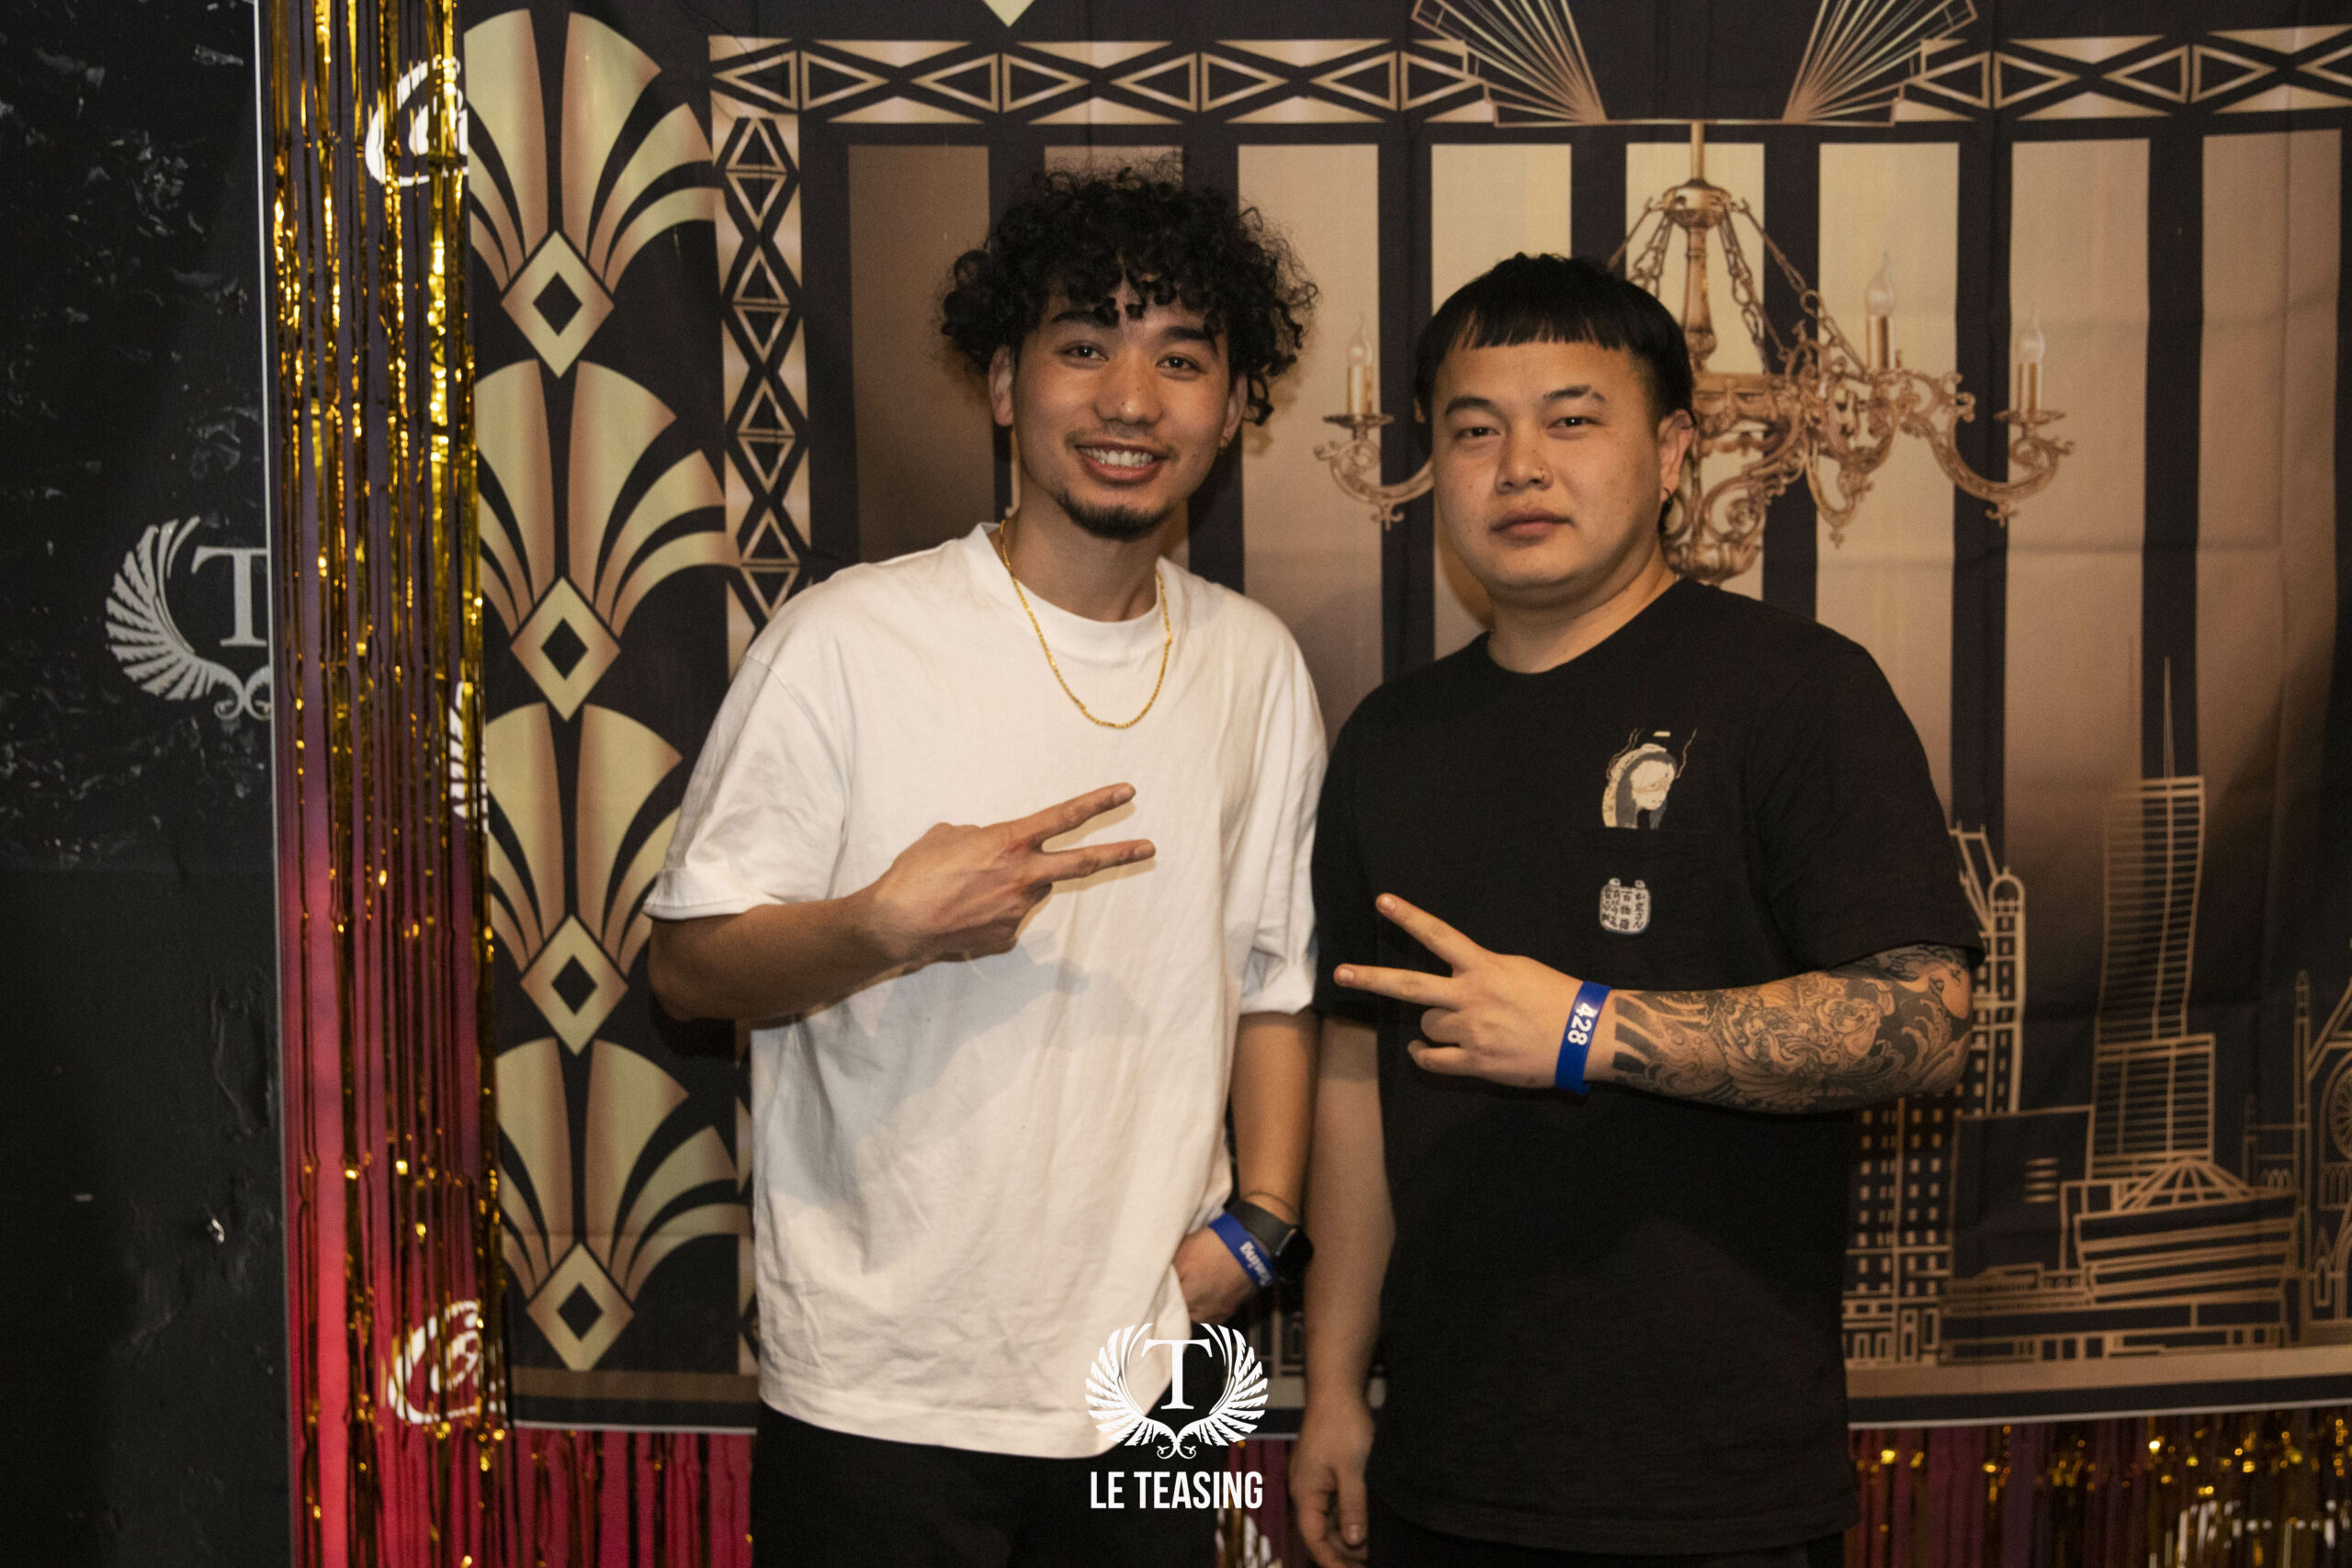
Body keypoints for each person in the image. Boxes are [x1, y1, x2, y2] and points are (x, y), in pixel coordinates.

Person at [646, 169, 1323, 1567]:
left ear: (1233, 407)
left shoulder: (1256, 666)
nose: (1130, 400)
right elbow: (688, 969)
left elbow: (1273, 981)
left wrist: (1259, 1227)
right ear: (1007, 386)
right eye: (1084, 347)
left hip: (1155, 1380)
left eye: (1181, 359)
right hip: (882, 1385)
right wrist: (884, 925)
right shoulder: (849, 641)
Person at [1289, 254, 1982, 1568]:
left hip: (1711, 1485)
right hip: (1443, 1464)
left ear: (1670, 453)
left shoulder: (1797, 691)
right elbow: (1352, 1075)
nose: (1520, 467)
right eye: (1474, 431)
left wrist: (1587, 1029)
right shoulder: (1390, 738)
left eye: (1571, 420)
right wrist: (1332, 1387)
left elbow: (1926, 1020)